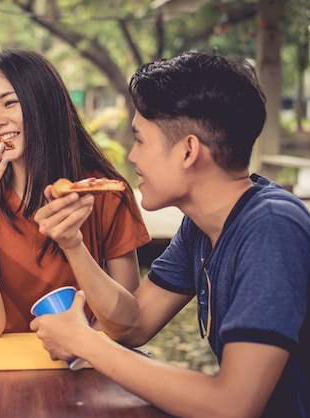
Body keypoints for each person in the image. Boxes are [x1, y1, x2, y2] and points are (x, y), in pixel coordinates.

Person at [31, 51, 310, 417]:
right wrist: (73, 243)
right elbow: (134, 325)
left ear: (188, 150)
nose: (132, 157)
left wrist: (86, 344)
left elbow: (232, 405)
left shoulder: (271, 227)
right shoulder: (201, 225)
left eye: (140, 140)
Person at [0, 48, 150, 338]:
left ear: (45, 106)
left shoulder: (103, 192)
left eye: (10, 103)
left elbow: (128, 324)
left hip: (85, 367)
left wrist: (84, 353)